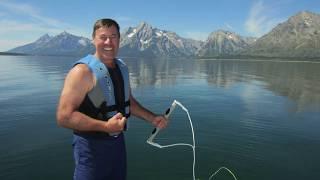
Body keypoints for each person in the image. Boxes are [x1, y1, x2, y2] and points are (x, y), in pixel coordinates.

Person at [56, 18, 168, 180]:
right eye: (103, 37)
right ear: (93, 39)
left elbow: (127, 102)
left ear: (119, 40)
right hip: (90, 149)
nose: (109, 42)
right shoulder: (82, 72)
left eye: (114, 36)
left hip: (117, 146)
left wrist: (153, 118)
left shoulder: (121, 67)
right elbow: (64, 117)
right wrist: (105, 126)